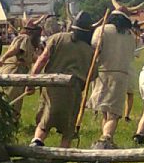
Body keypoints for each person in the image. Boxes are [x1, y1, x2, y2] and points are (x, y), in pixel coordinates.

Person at [27, 12, 95, 148]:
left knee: (44, 122)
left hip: (51, 86)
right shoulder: (90, 51)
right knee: (68, 129)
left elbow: (42, 60)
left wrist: (31, 82)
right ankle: (62, 156)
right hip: (73, 90)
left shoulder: (57, 38)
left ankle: (36, 143)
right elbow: (91, 77)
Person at [87, 5, 138, 144]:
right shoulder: (131, 35)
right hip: (121, 75)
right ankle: (107, 138)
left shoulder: (102, 30)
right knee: (113, 113)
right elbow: (133, 54)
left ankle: (106, 138)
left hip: (102, 74)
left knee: (105, 110)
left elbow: (94, 51)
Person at [0, 17, 43, 118]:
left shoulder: (29, 42)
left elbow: (32, 57)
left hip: (20, 71)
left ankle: (13, 119)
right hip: (13, 71)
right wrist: (3, 58)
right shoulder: (24, 38)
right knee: (10, 97)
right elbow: (15, 49)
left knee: (16, 99)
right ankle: (6, 119)